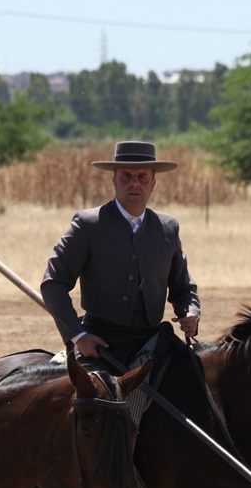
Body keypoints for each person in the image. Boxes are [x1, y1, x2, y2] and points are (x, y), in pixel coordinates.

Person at [41, 141, 200, 370]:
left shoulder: (168, 227)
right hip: (100, 346)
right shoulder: (88, 224)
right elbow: (53, 282)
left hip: (154, 343)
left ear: (153, 184)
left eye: (142, 177)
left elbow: (183, 288)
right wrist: (78, 336)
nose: (134, 182)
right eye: (126, 175)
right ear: (114, 181)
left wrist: (190, 313)